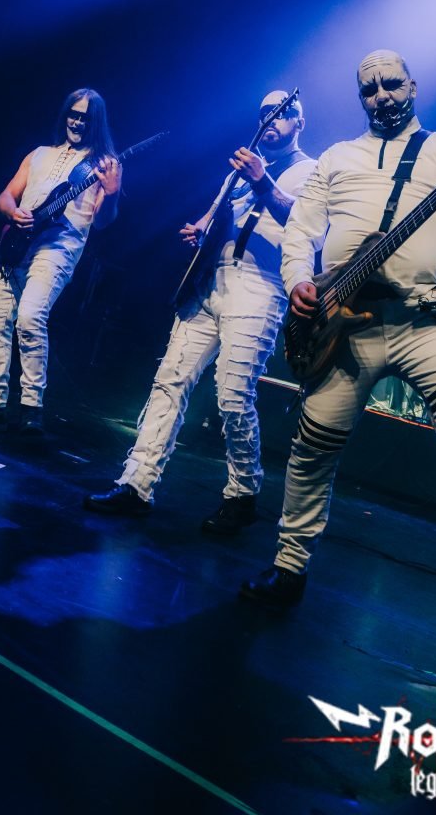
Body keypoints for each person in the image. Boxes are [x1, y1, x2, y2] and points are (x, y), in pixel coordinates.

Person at [240, 50, 436, 624]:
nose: (381, 94)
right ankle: (288, 566)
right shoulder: (336, 157)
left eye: (390, 83)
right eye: (369, 88)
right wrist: (299, 283)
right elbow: (300, 231)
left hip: (425, 314)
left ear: (412, 85)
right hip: (340, 323)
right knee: (313, 447)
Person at [83, 91, 316, 533]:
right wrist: (200, 228)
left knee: (233, 394)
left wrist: (263, 180)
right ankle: (136, 484)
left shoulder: (313, 170)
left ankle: (243, 493)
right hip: (211, 281)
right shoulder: (239, 170)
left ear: (299, 123)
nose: (273, 120)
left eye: (284, 114)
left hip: (260, 286)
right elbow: (215, 216)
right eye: (266, 113)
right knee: (169, 380)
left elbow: (304, 224)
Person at [0, 87, 122, 436]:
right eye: (73, 114)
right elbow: (6, 195)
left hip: (58, 249)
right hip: (17, 245)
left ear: (96, 122)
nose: (77, 122)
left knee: (29, 317)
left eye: (85, 118)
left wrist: (113, 192)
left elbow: (103, 222)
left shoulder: (105, 164)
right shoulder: (39, 154)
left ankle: (31, 409)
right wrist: (13, 212)